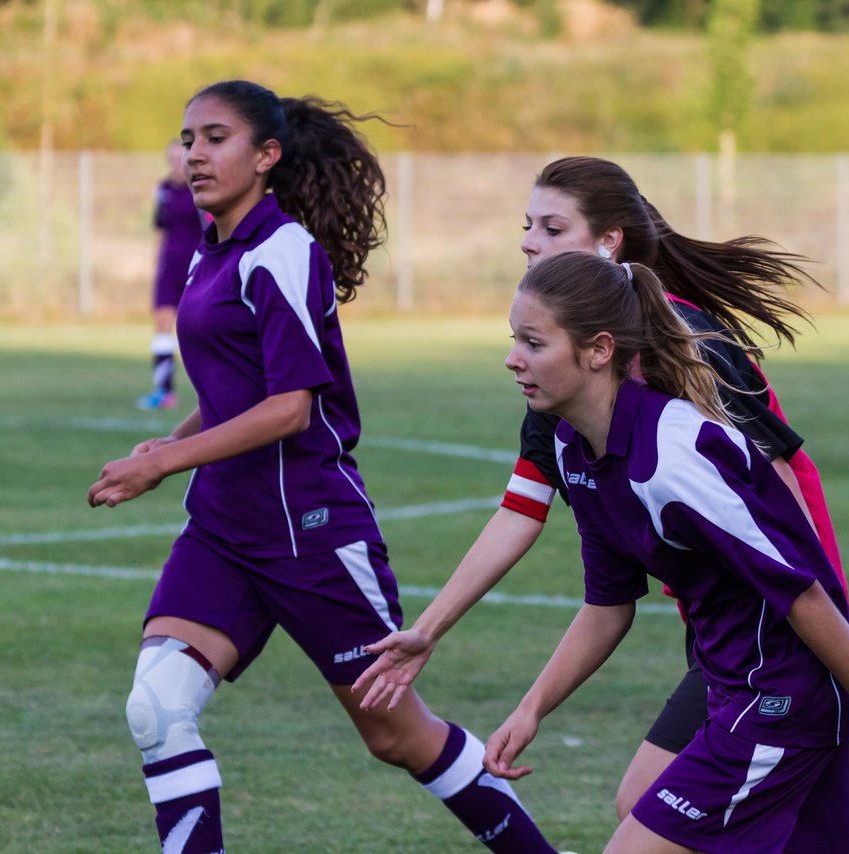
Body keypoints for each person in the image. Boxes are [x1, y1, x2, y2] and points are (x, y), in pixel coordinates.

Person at [87, 80, 557, 854]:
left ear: (267, 156)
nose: (194, 154)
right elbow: (241, 390)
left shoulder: (282, 250)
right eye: (188, 138)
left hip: (309, 531)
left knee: (398, 738)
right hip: (224, 531)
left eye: (215, 137)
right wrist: (165, 441)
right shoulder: (212, 248)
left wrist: (166, 461)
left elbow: (291, 407)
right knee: (157, 708)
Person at [360, 252, 849, 852]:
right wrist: (531, 709)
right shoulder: (575, 450)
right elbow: (607, 607)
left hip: (782, 700)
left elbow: (801, 588)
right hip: (739, 689)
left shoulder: (674, 458)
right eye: (514, 339)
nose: (513, 358)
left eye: (534, 343)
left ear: (599, 350)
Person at [137, 140, 207, 411]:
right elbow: (161, 227)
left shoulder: (201, 189)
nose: (177, 165)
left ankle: (213, 391)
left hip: (197, 266)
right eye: (173, 159)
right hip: (169, 267)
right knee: (162, 325)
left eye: (182, 159)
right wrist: (156, 259)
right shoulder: (163, 189)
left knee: (200, 328)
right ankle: (164, 392)